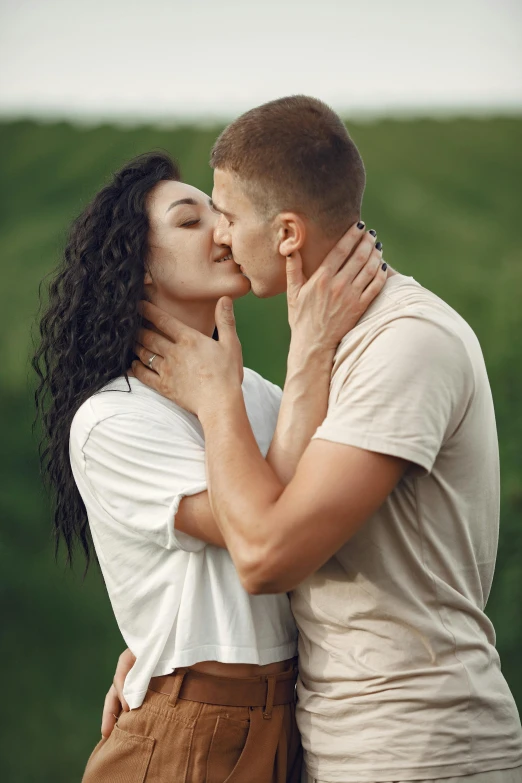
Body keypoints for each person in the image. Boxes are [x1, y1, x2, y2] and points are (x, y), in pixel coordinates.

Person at [109, 96, 522, 783]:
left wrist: (216, 401)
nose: (221, 236)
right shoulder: (329, 345)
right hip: (341, 743)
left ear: (290, 234)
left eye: (230, 216)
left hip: (420, 748)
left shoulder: (404, 345)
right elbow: (270, 511)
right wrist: (163, 647)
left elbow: (269, 554)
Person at [33, 149, 386, 782]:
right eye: (190, 221)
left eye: (220, 215)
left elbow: (307, 524)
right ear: (138, 266)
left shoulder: (255, 393)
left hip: (290, 718)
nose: (221, 231)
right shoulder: (112, 420)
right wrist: (309, 347)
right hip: (190, 729)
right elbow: (256, 526)